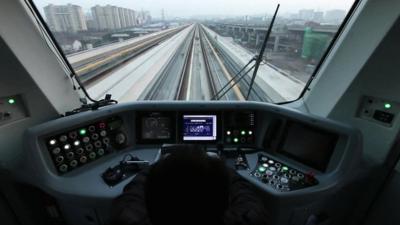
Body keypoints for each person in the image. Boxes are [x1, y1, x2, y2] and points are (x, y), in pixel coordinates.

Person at [110, 146, 269, 225]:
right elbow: (244, 192)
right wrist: (217, 164)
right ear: (224, 204)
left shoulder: (127, 216)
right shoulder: (250, 217)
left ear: (151, 205)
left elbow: (132, 193)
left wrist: (160, 163)